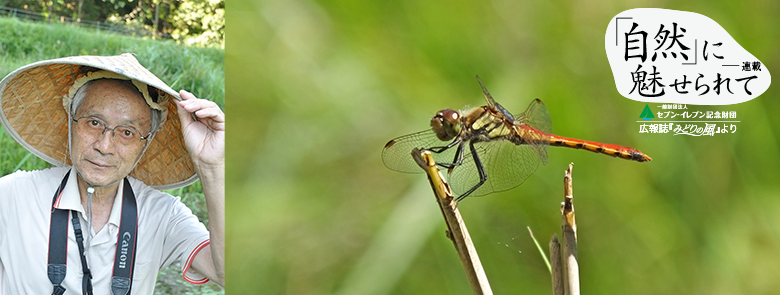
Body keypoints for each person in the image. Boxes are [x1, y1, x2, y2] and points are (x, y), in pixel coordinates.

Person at [0, 53, 224, 294]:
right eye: (94, 122)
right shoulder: (13, 196)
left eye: (127, 132)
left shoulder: (162, 215)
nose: (104, 147)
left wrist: (212, 166)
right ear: (71, 124)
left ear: (145, 143)